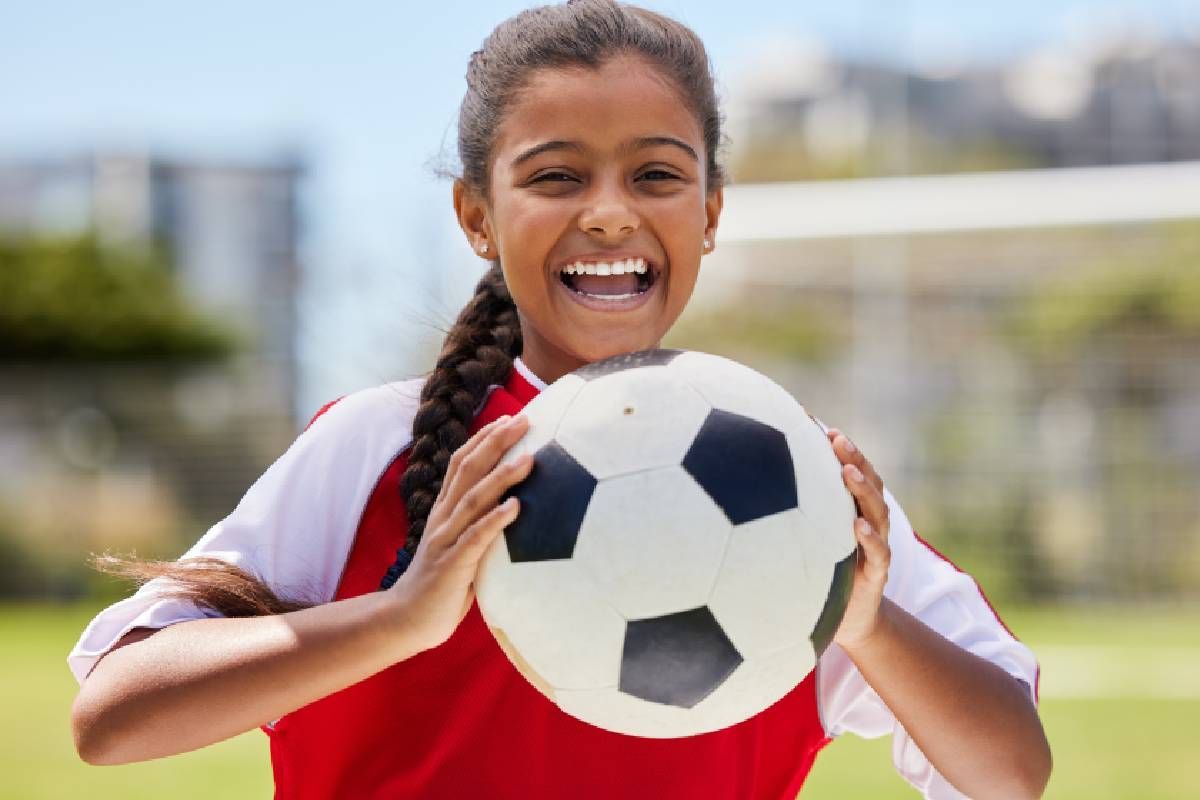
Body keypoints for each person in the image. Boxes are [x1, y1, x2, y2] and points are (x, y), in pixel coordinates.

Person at [68, 1, 1051, 797]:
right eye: (557, 175)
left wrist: (866, 620)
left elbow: (1011, 771)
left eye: (657, 173)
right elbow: (114, 716)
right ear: (477, 216)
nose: (611, 209)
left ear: (709, 211)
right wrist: (400, 618)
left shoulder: (796, 479)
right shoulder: (384, 445)